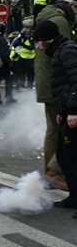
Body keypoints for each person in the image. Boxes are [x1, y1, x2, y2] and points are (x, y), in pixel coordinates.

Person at [34, 20, 77, 213]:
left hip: (74, 112)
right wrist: (61, 112)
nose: (37, 46)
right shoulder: (58, 52)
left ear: (48, 40)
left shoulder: (67, 51)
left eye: (39, 41)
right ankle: (74, 197)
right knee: (63, 155)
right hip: (66, 111)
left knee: (73, 157)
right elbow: (63, 87)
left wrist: (74, 110)